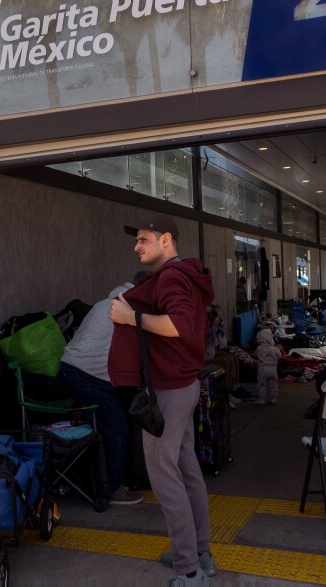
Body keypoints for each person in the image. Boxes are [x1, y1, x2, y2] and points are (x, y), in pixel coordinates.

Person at [108, 214, 217, 585]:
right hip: (182, 384)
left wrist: (129, 316)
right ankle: (200, 552)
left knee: (165, 476)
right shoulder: (183, 275)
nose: (137, 246)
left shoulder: (170, 277)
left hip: (170, 391)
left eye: (143, 239)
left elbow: (178, 326)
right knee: (186, 470)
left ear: (165, 239)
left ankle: (189, 569)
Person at [59, 272, 149, 507]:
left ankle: (112, 479)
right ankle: (111, 489)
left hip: (75, 368)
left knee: (115, 423)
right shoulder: (127, 309)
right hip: (87, 375)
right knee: (118, 428)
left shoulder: (110, 300)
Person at [254, 327, 281, 406]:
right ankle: (273, 399)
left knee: (262, 385)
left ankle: (262, 400)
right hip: (273, 369)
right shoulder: (275, 349)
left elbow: (256, 356)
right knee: (273, 385)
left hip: (262, 369)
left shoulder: (258, 348)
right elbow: (280, 357)